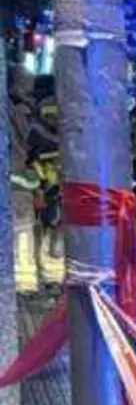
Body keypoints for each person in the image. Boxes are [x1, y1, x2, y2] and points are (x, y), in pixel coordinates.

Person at [8, 69, 41, 297]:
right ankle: (24, 282)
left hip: (17, 180)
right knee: (23, 231)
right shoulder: (25, 114)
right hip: (19, 181)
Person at [28, 94, 64, 293]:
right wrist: (39, 187)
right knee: (41, 231)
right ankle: (44, 275)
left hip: (56, 188)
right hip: (44, 187)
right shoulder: (37, 129)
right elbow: (31, 159)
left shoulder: (38, 124)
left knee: (52, 231)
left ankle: (51, 277)